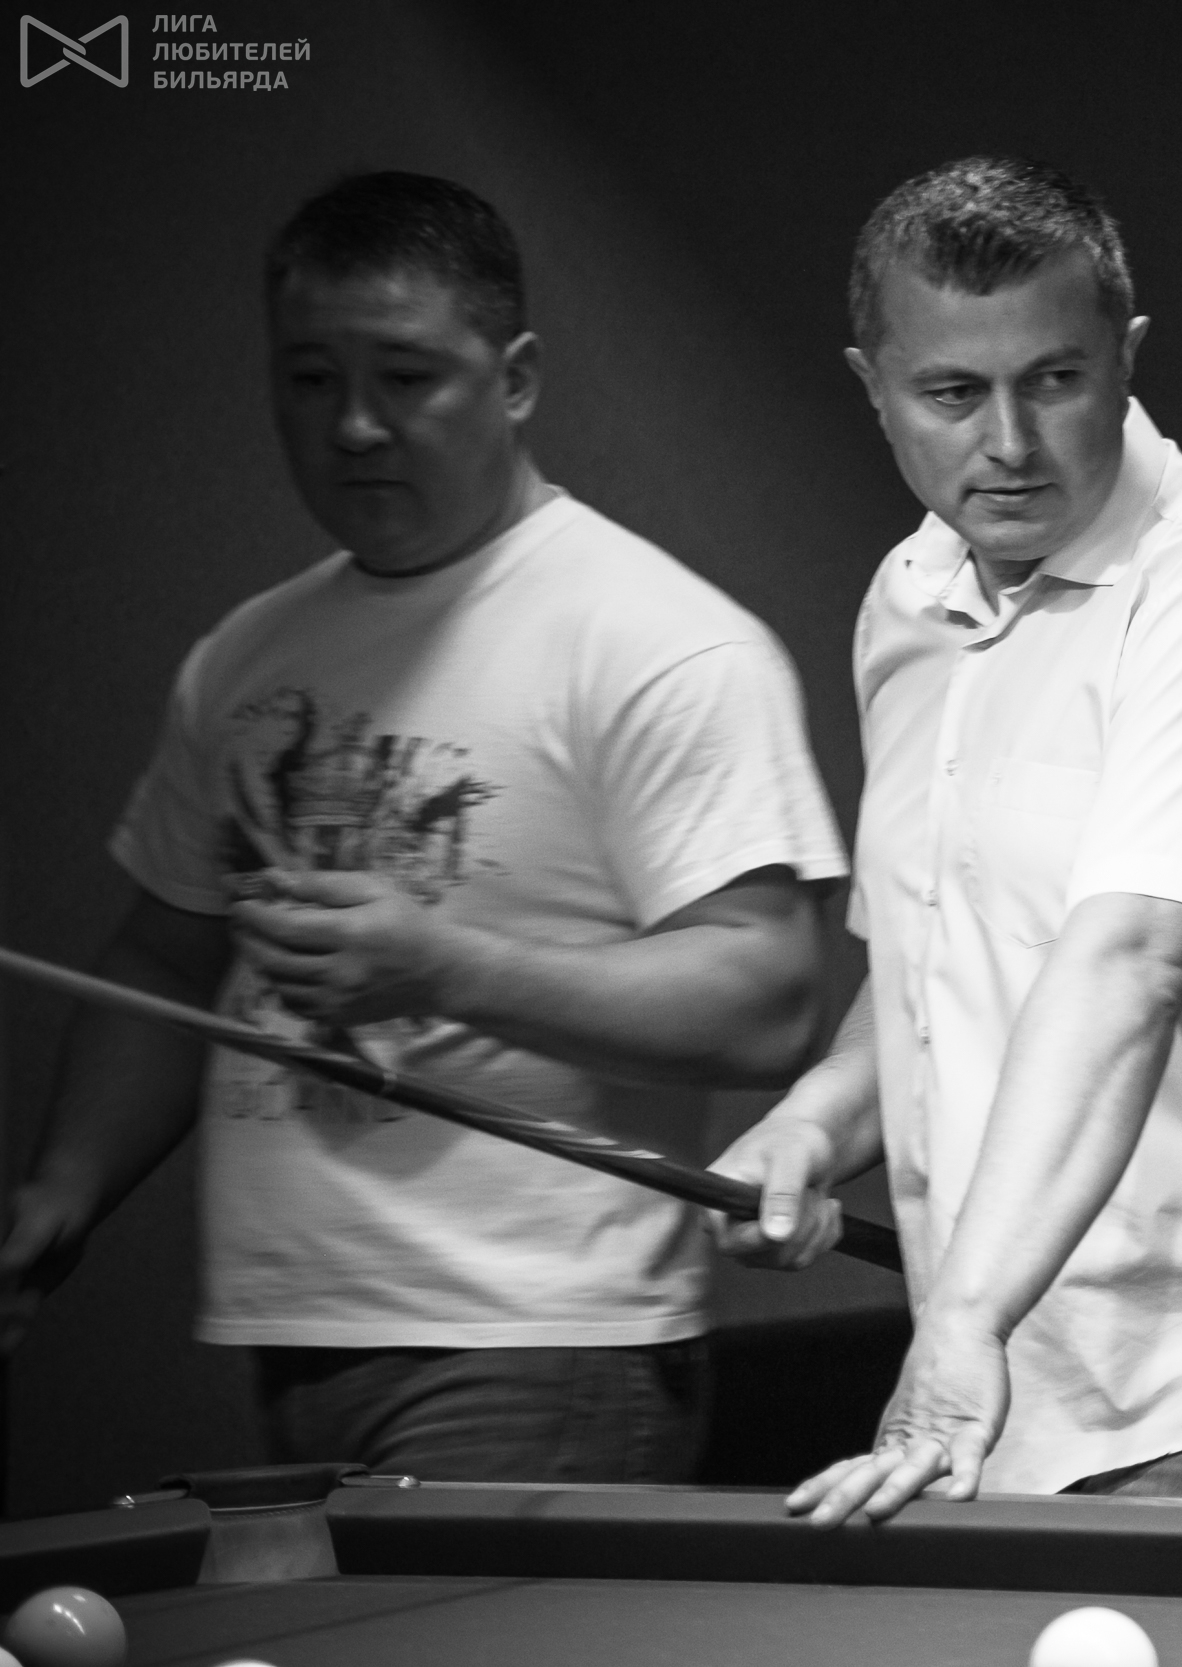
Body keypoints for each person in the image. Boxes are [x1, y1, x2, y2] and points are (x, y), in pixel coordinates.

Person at [0, 171, 848, 1483]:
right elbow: (168, 956)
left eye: (406, 378)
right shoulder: (246, 656)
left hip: (542, 1343)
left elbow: (768, 998)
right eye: (310, 379)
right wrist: (64, 1189)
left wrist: (443, 967)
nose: (353, 425)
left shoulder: (660, 642)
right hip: (296, 1335)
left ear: (515, 380)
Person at [711, 157, 1182, 1524]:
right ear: (872, 386)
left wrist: (964, 1319)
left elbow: (1133, 957)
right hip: (1011, 1395)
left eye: (1053, 380)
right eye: (952, 393)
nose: (1008, 442)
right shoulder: (908, 598)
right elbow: (937, 965)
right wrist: (813, 1122)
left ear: (1128, 358)